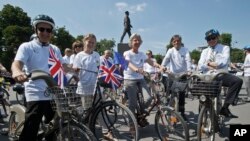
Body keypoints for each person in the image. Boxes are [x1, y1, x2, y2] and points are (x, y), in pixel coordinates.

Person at [11, 14, 70, 141]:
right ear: (35, 30)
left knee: (54, 129)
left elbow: (64, 67)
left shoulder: (55, 49)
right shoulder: (27, 46)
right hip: (35, 91)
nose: (45, 32)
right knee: (31, 129)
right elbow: (17, 63)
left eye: (48, 30)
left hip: (53, 91)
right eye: (41, 29)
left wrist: (75, 72)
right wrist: (17, 71)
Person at [197, 29, 243, 118]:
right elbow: (200, 65)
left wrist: (208, 63)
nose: (211, 40)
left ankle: (225, 108)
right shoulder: (204, 51)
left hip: (220, 75)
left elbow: (224, 62)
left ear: (217, 37)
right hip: (207, 76)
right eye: (208, 39)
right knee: (202, 98)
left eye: (213, 38)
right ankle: (201, 121)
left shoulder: (225, 48)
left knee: (238, 81)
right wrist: (212, 65)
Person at [123, 33, 165, 126]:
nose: (137, 42)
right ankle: (131, 124)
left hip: (141, 78)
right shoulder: (127, 53)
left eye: (138, 40)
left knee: (149, 98)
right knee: (132, 104)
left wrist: (160, 66)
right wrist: (137, 69)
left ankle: (140, 115)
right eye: (135, 40)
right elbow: (128, 64)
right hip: (130, 78)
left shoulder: (142, 54)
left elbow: (151, 62)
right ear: (131, 42)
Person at [161, 34, 192, 121]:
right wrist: (163, 66)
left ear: (180, 42)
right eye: (174, 41)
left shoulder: (185, 50)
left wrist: (189, 70)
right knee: (171, 93)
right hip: (172, 75)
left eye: (178, 41)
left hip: (183, 75)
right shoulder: (170, 51)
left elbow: (188, 60)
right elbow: (166, 60)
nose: (176, 42)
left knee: (182, 95)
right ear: (172, 43)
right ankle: (170, 110)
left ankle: (182, 113)